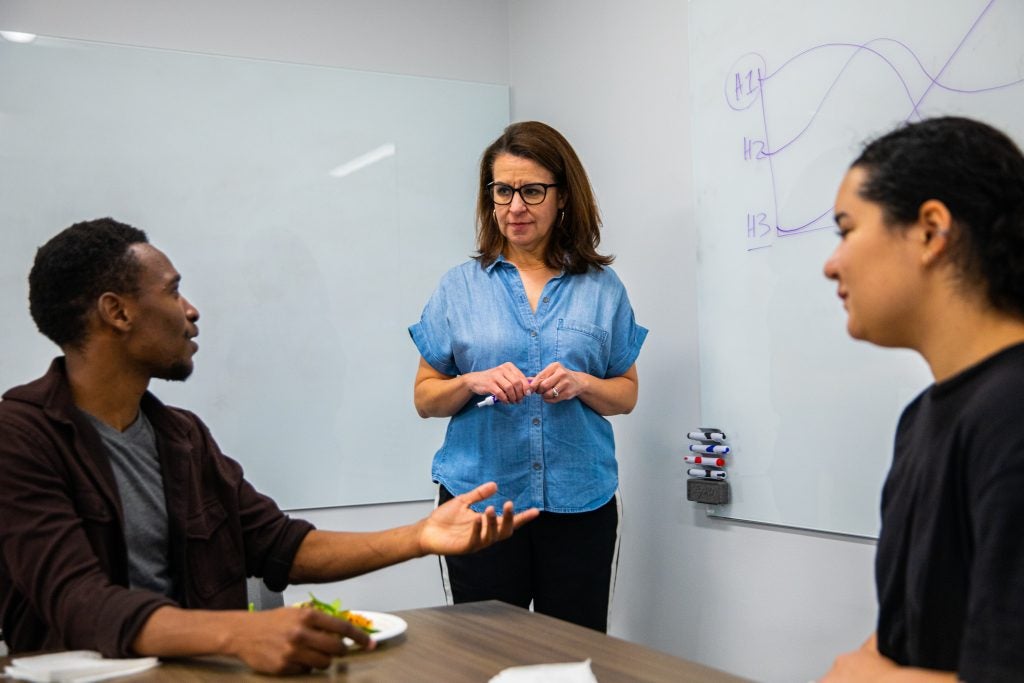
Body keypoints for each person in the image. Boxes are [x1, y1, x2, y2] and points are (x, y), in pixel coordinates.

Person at [0, 218, 539, 675]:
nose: (191, 310)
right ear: (117, 312)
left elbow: (281, 545)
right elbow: (79, 604)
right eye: (171, 291)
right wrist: (238, 633)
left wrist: (420, 536)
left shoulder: (182, 437)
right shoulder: (21, 437)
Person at [408, 121, 647, 632]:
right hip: (481, 506)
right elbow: (425, 398)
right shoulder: (458, 288)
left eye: (532, 191)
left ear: (563, 197)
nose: (515, 206)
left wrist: (584, 384)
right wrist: (471, 382)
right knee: (485, 656)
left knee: (575, 652)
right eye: (503, 191)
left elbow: (625, 394)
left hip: (581, 504)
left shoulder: (603, 289)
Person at [820, 117, 1024, 682]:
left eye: (846, 229)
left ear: (932, 231)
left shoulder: (1011, 418)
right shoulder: (925, 417)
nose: (831, 264)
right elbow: (918, 620)